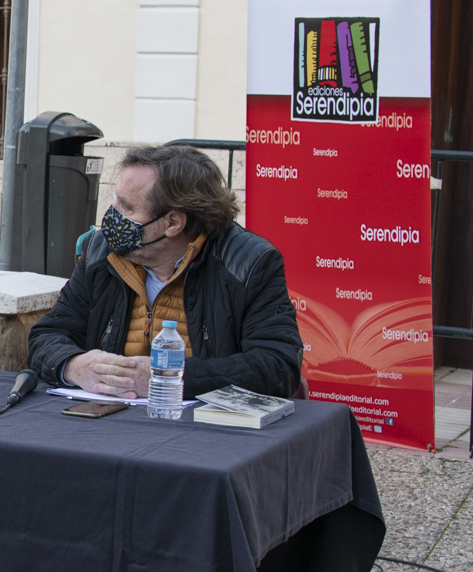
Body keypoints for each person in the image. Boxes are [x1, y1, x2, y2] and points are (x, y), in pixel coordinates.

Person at [28, 145, 303, 400]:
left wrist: (170, 377)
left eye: (127, 207)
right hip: (110, 421)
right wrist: (74, 366)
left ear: (173, 223)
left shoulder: (250, 262)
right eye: (116, 202)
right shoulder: (99, 252)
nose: (112, 214)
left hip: (202, 434)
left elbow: (277, 365)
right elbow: (47, 336)